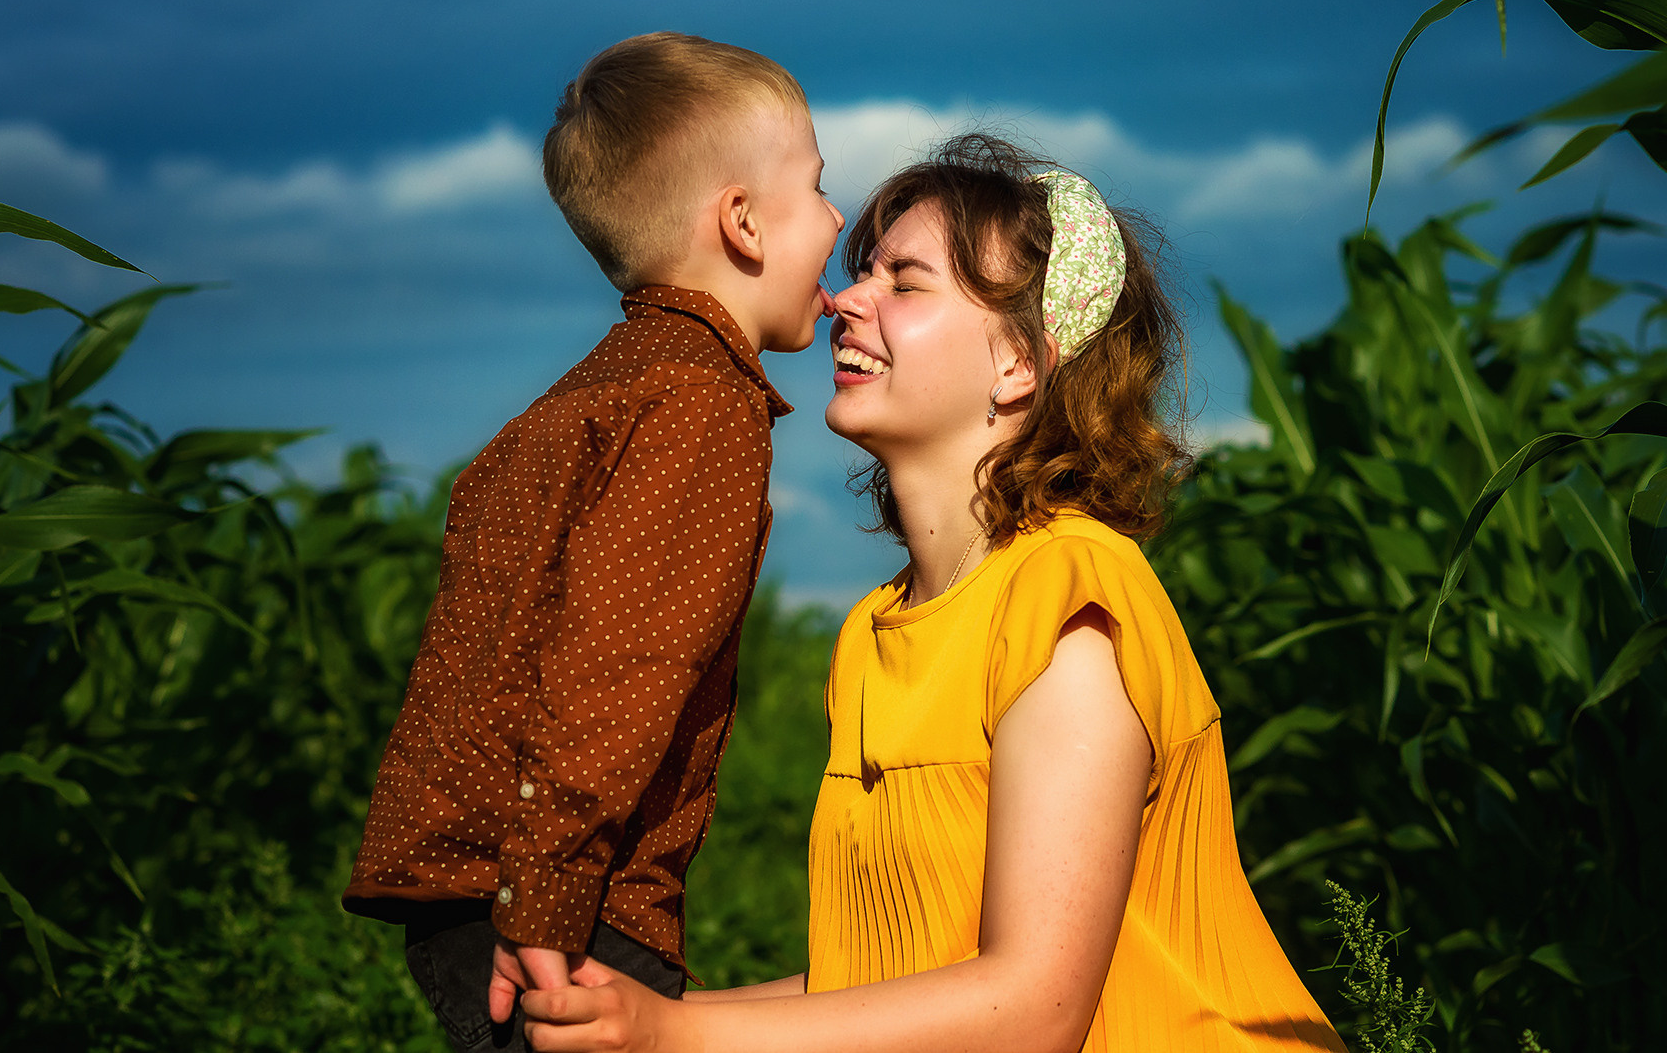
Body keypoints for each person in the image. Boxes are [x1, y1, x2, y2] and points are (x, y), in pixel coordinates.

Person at [521, 133, 1346, 1052]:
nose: (846, 297)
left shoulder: (1069, 595)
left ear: (1019, 364)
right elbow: (882, 983)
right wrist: (619, 1013)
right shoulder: (874, 631)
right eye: (861, 271)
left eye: (904, 283)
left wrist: (674, 1037)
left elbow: (1029, 1009)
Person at [341, 31, 845, 1052]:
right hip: (559, 905)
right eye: (820, 187)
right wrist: (548, 894)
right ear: (743, 223)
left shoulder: (588, 394)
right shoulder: (703, 403)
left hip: (479, 877)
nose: (839, 219)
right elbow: (619, 665)